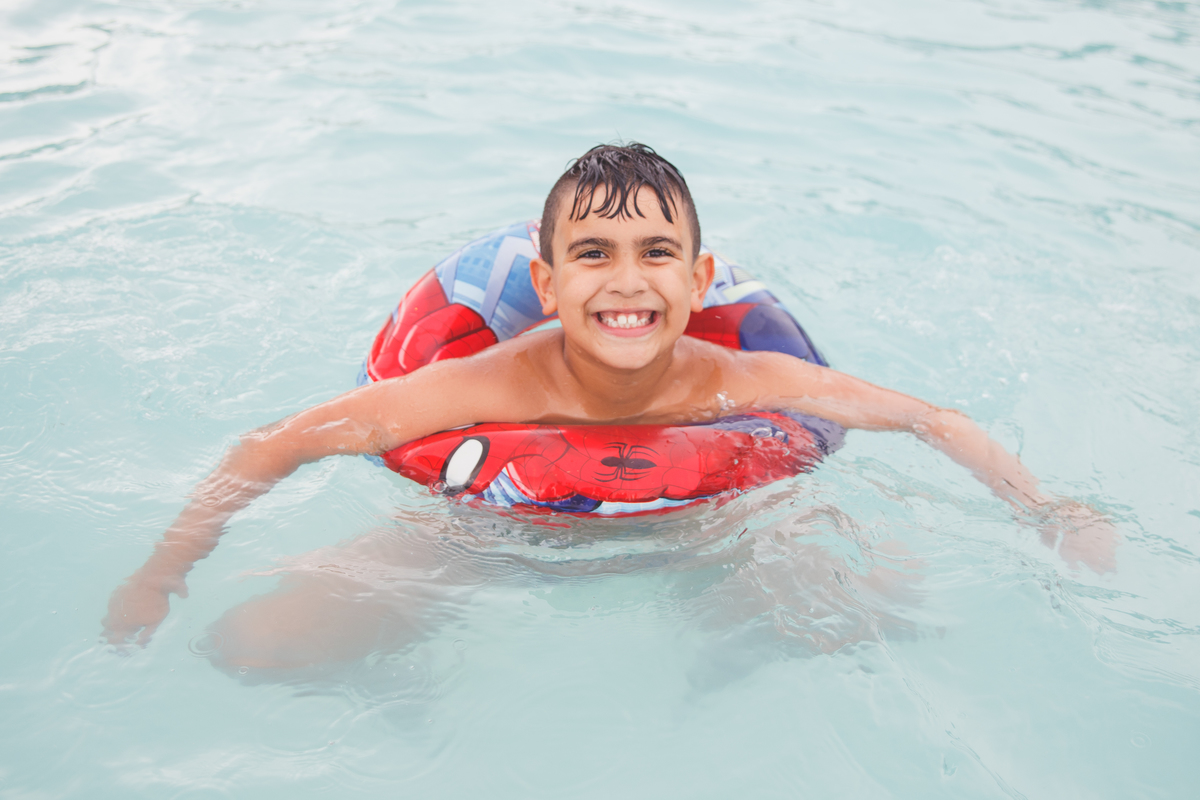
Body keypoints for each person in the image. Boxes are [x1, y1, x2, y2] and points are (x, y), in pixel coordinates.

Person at [102, 142, 1118, 659]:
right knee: (258, 648)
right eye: (592, 255)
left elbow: (927, 418)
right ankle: (399, 671)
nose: (626, 283)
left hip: (700, 533)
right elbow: (276, 444)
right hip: (486, 536)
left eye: (655, 254)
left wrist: (1048, 510)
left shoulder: (736, 381)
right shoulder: (487, 383)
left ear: (698, 279)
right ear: (547, 286)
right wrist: (161, 572)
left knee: (853, 618)